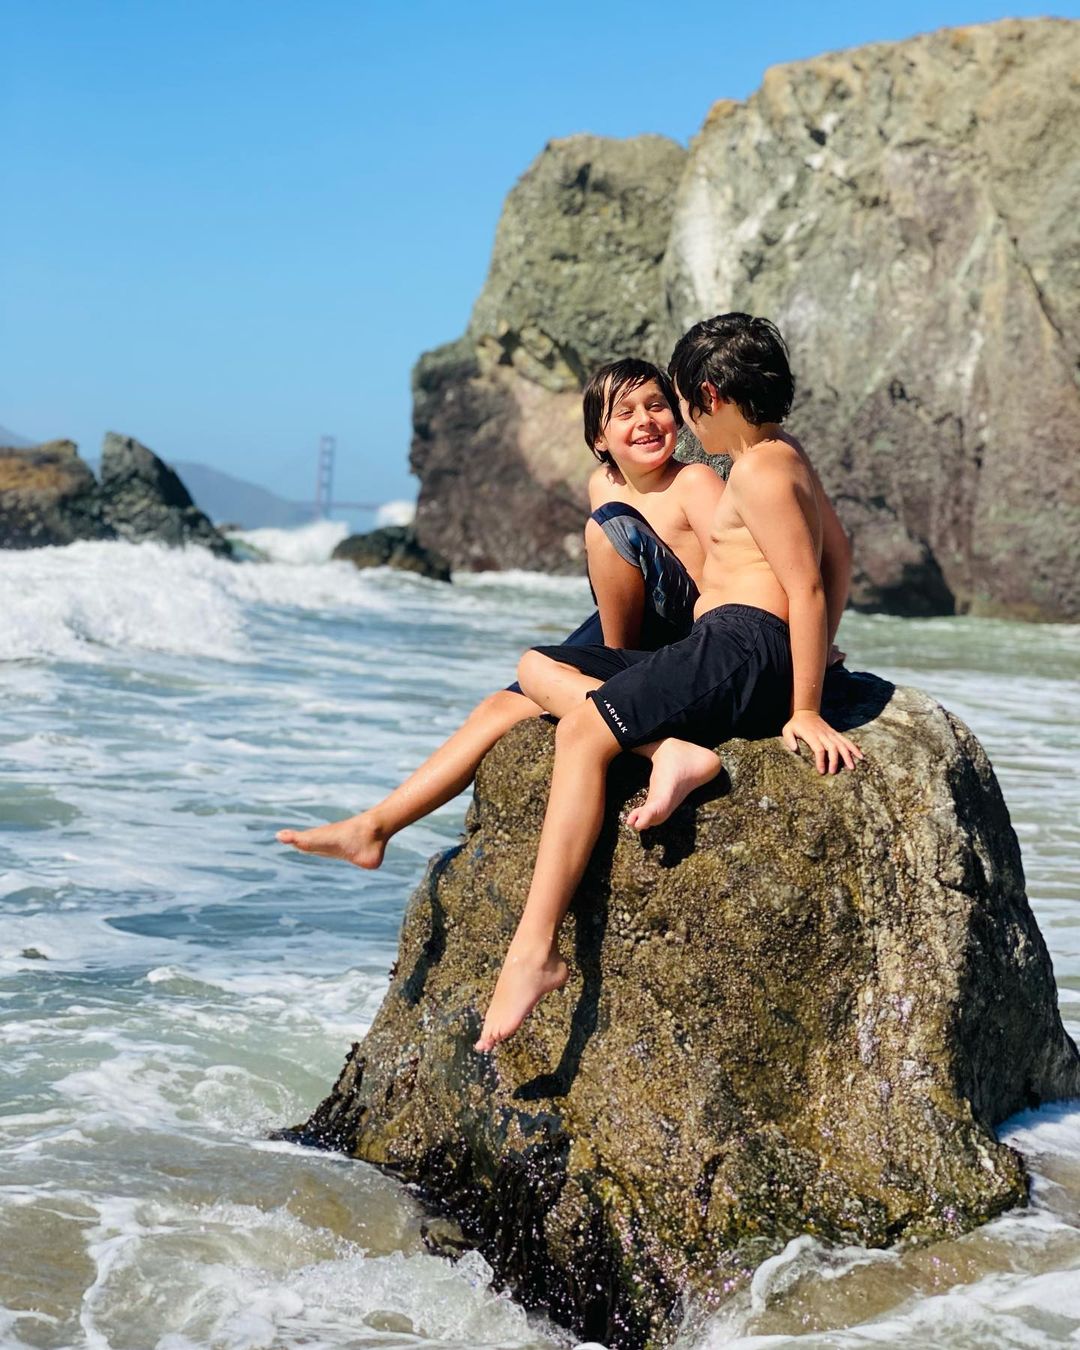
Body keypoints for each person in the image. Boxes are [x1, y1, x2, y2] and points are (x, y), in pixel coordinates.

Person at [474, 314, 863, 1054]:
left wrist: (804, 704)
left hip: (740, 645)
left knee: (586, 731)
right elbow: (843, 556)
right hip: (737, 648)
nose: (683, 422)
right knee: (536, 668)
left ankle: (535, 952)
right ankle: (665, 749)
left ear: (709, 395)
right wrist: (809, 661)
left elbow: (807, 586)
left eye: (682, 403)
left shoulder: (754, 470)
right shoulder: (786, 455)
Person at [275, 358, 725, 869]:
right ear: (599, 439)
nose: (644, 420)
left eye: (656, 406)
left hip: (683, 635)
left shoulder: (695, 482)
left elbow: (742, 565)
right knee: (498, 707)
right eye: (624, 412)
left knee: (610, 526)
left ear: (677, 417)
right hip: (621, 628)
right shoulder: (604, 483)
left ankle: (621, 700)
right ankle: (374, 827)